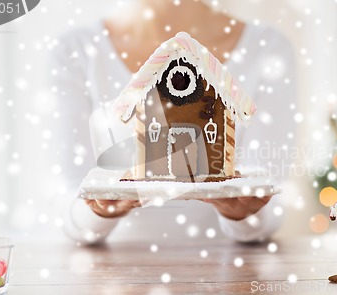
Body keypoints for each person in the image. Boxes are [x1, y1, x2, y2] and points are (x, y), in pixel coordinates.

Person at [49, 0, 296, 245]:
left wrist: (244, 214)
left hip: (229, 271)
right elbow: (69, 209)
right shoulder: (75, 50)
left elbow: (271, 199)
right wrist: (99, 210)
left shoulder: (267, 47)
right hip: (111, 274)